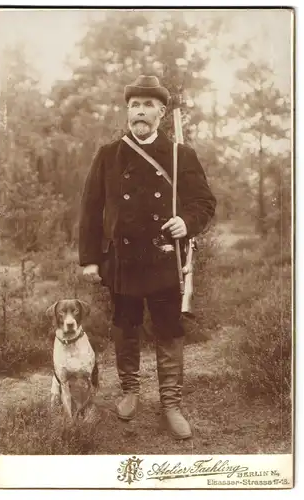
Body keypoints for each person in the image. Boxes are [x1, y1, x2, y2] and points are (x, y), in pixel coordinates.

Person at [79, 75, 216, 440]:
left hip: (164, 258)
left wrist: (185, 221)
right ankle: (130, 390)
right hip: (122, 260)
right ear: (128, 112)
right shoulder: (108, 154)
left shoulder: (180, 154)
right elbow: (90, 209)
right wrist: (90, 258)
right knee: (125, 325)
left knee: (169, 328)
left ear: (161, 112)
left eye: (148, 105)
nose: (140, 112)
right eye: (134, 105)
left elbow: (204, 203)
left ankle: (170, 403)